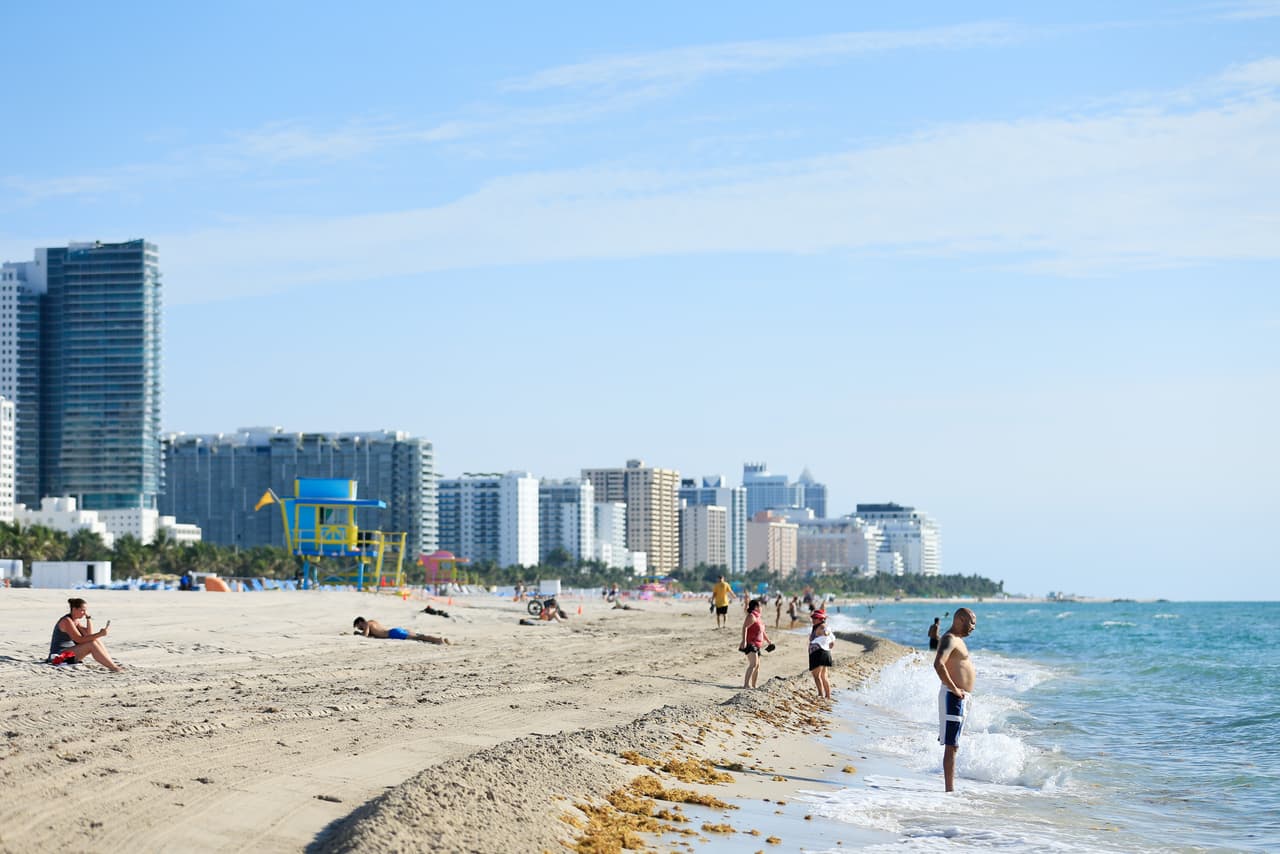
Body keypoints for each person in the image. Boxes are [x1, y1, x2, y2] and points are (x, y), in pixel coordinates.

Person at [933, 607, 977, 792]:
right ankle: (949, 791)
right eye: (971, 622)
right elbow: (938, 664)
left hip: (959, 698)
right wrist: (954, 689)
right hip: (953, 697)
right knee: (951, 745)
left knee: (954, 744)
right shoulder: (950, 639)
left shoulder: (957, 640)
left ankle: (950, 789)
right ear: (959, 619)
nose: (974, 627)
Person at [48, 598, 122, 671]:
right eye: (82, 610)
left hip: (68, 655)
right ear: (74, 609)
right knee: (91, 644)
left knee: (95, 640)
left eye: (85, 611)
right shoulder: (66, 621)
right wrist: (99, 634)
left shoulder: (75, 621)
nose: (84, 613)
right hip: (58, 658)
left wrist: (88, 619)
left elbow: (88, 635)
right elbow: (79, 639)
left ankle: (112, 664)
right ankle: (113, 667)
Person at [739, 599, 772, 689]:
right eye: (760, 606)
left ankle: (754, 685)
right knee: (753, 664)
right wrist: (744, 640)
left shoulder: (758, 617)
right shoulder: (751, 616)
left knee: (757, 666)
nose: (761, 608)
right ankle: (746, 685)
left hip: (757, 645)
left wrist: (768, 641)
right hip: (750, 643)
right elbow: (745, 627)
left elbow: (762, 631)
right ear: (756, 607)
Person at [353, 617, 449, 644]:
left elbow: (365, 635)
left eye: (358, 626)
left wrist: (358, 633)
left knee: (418, 637)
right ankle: (441, 640)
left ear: (361, 622)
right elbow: (374, 633)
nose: (360, 628)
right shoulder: (373, 621)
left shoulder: (366, 624)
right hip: (395, 630)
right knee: (419, 635)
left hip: (393, 633)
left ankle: (438, 640)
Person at [808, 609, 834, 698]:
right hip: (825, 653)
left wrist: (826, 633)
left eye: (815, 618)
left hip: (818, 653)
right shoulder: (819, 626)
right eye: (812, 617)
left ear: (821, 619)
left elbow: (826, 632)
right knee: (823, 676)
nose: (813, 619)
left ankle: (820, 694)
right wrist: (831, 641)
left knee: (816, 676)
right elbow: (831, 637)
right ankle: (828, 696)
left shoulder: (822, 626)